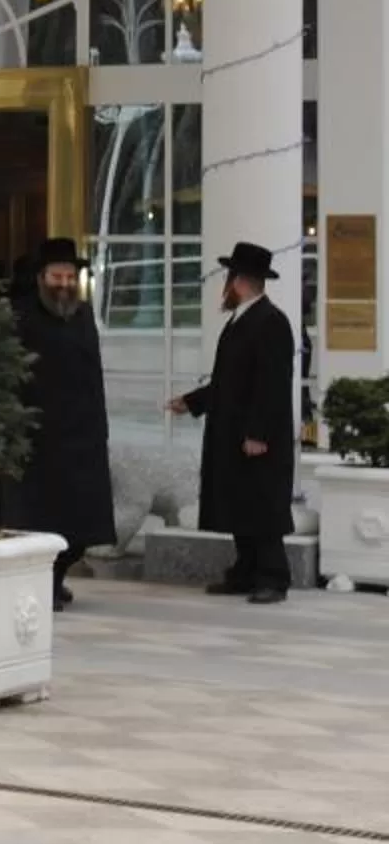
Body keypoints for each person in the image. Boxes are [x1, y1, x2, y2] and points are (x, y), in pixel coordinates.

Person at [168, 239, 299, 604]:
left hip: (257, 437)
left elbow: (271, 385)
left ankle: (273, 577)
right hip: (234, 433)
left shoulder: (271, 322)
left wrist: (257, 433)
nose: (225, 287)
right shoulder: (241, 321)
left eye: (228, 279)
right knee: (241, 505)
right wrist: (192, 402)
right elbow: (230, 381)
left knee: (262, 508)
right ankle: (245, 571)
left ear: (238, 281)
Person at [8, 238, 114, 609]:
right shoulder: (20, 316)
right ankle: (46, 583)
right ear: (41, 277)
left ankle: (59, 575)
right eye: (57, 276)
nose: (65, 283)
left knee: (81, 525)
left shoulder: (83, 315)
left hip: (82, 438)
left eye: (70, 276)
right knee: (42, 521)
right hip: (41, 439)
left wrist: (100, 427)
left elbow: (93, 373)